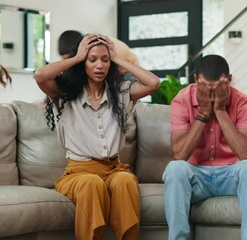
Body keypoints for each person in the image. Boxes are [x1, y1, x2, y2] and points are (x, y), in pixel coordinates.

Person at [34, 33, 160, 240]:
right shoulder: (66, 94)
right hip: (78, 173)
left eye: (105, 60)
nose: (99, 65)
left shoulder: (120, 92)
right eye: (92, 60)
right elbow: (40, 76)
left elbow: (153, 83)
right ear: (83, 62)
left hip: (113, 168)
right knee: (91, 183)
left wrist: (117, 58)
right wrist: (76, 58)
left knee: (125, 180)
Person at [163, 55, 247, 240]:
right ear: (195, 80)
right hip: (197, 178)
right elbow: (179, 154)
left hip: (231, 176)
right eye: (205, 87)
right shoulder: (182, 100)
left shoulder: (243, 102)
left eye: (217, 88)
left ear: (229, 80)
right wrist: (203, 113)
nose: (211, 94)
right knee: (174, 168)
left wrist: (219, 111)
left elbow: (245, 154)